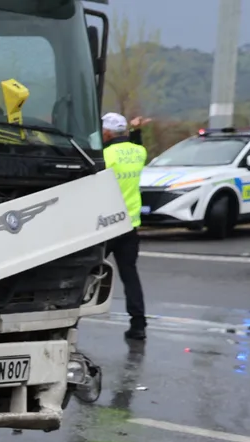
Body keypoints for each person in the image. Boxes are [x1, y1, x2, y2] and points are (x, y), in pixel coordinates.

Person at [101, 112, 149, 340]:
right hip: (130, 226)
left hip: (106, 225)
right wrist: (136, 130)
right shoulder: (139, 153)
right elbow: (137, 144)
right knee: (130, 275)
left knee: (86, 272)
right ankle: (138, 324)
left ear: (108, 132)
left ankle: (71, 319)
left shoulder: (106, 154)